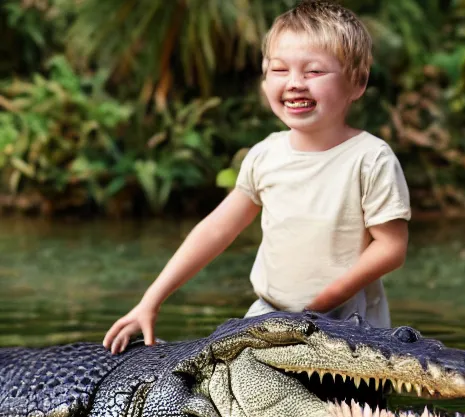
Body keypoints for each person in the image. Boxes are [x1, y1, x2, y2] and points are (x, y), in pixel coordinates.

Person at [103, 0, 411, 355]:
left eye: (313, 72)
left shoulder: (369, 158)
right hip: (269, 315)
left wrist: (322, 304)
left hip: (350, 322)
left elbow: (391, 248)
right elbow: (215, 230)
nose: (295, 83)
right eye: (279, 70)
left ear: (356, 82)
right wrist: (151, 300)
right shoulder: (266, 155)